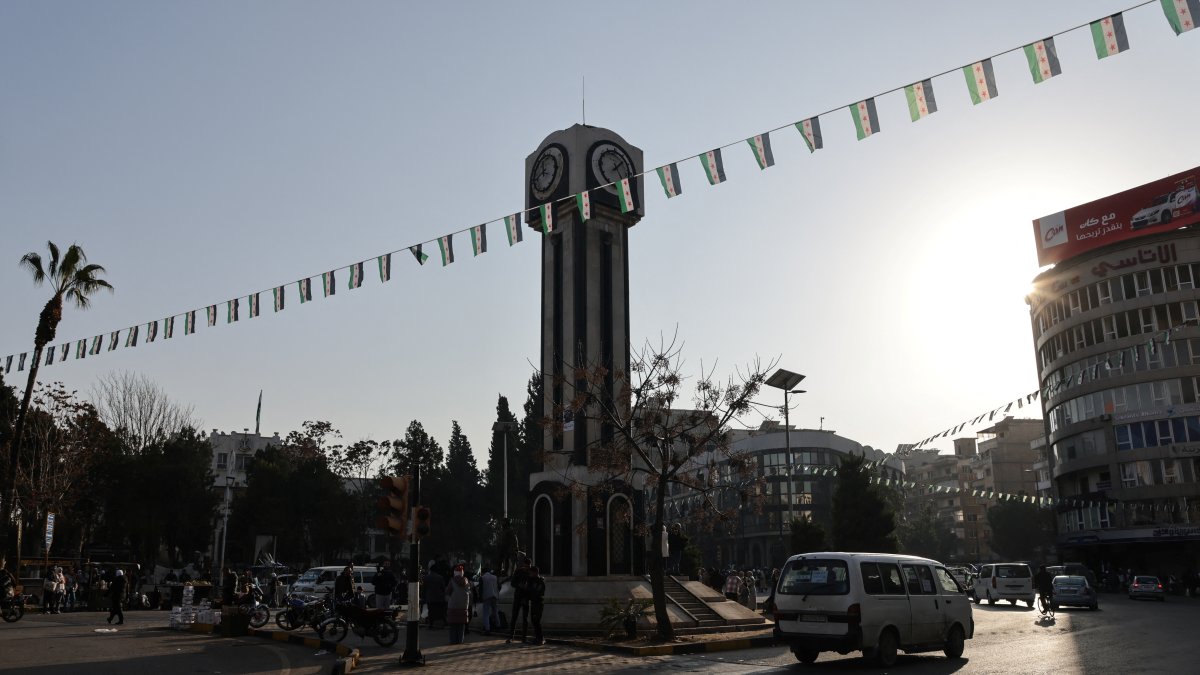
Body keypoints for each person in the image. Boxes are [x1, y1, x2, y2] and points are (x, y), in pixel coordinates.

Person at [505, 555, 532, 644]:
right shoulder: (518, 572)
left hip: (526, 597)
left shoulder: (531, 573)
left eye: (528, 566)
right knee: (514, 617)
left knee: (525, 618)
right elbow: (513, 583)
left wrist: (527, 588)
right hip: (518, 597)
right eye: (526, 565)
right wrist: (519, 585)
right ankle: (510, 636)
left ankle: (523, 638)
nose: (527, 567)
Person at [445, 564, 471, 645]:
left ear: (455, 573)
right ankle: (460, 640)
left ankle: (453, 641)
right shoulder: (466, 581)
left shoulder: (452, 581)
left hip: (453, 605)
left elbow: (447, 592)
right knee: (461, 625)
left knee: (453, 625)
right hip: (464, 605)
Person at [526, 566, 546, 645]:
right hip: (534, 603)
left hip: (538, 603)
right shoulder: (532, 580)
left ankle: (540, 638)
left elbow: (537, 592)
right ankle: (538, 638)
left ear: (535, 572)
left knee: (536, 621)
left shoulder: (540, 582)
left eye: (531, 573)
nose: (530, 574)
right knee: (534, 621)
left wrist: (531, 590)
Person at [479, 567, 500, 634]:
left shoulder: (482, 578)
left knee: (486, 613)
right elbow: (499, 586)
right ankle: (498, 626)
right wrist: (496, 592)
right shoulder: (495, 577)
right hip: (495, 596)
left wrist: (480, 598)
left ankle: (487, 629)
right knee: (495, 611)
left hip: (486, 597)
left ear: (483, 572)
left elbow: (480, 589)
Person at [423, 565, 446, 629]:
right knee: (439, 611)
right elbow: (443, 588)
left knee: (430, 611)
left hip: (430, 597)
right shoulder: (440, 577)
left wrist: (423, 597)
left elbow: (424, 588)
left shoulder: (426, 577)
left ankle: (431, 624)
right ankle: (442, 623)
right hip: (439, 597)